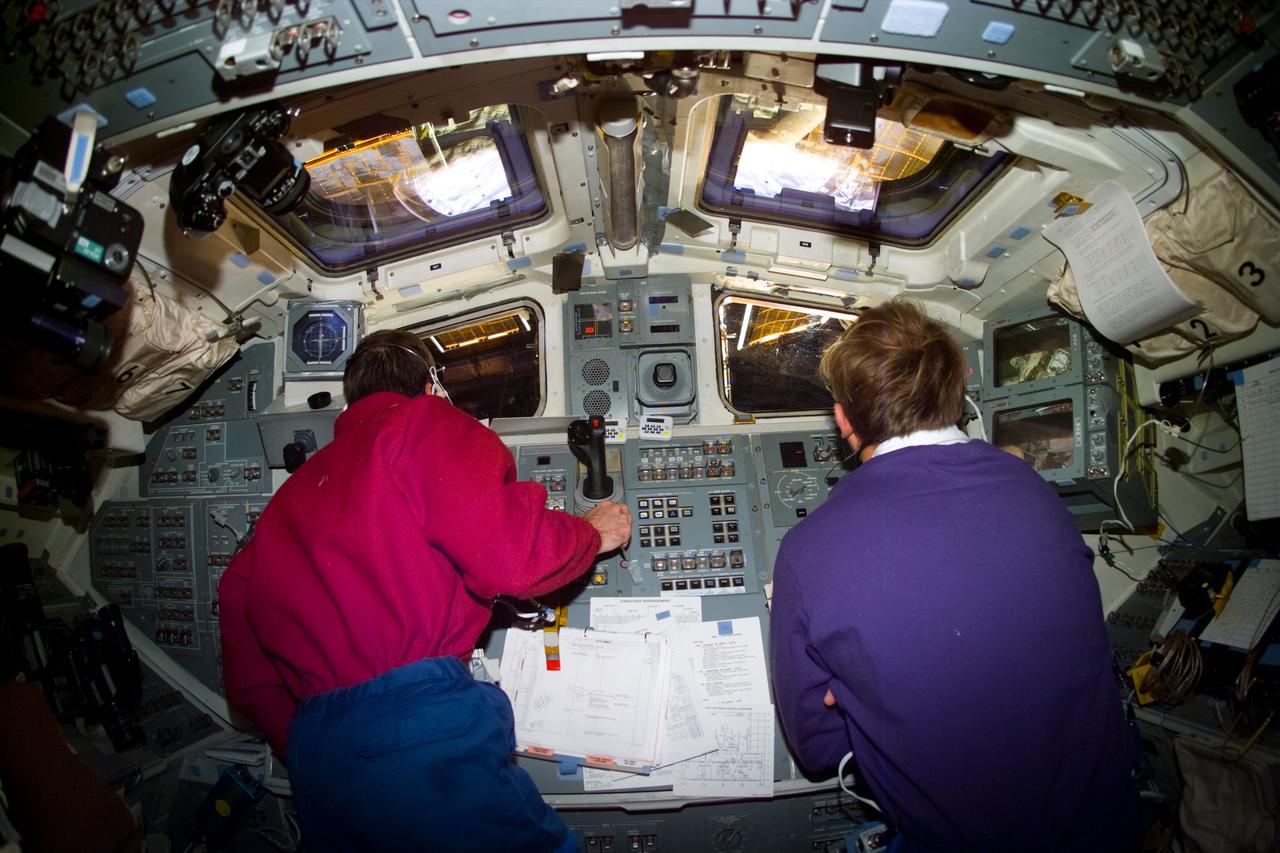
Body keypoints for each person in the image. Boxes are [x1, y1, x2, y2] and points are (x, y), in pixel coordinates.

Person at [219, 329, 631, 853]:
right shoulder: (425, 424)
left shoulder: (287, 497)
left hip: (321, 760)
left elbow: (247, 667)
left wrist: (317, 741)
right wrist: (591, 532)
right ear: (433, 385)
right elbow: (511, 558)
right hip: (419, 727)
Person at [769, 300, 1138, 853]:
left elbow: (819, 751)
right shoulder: (1034, 490)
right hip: (1108, 823)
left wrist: (861, 694)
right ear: (955, 394)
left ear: (844, 420)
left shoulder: (805, 550)